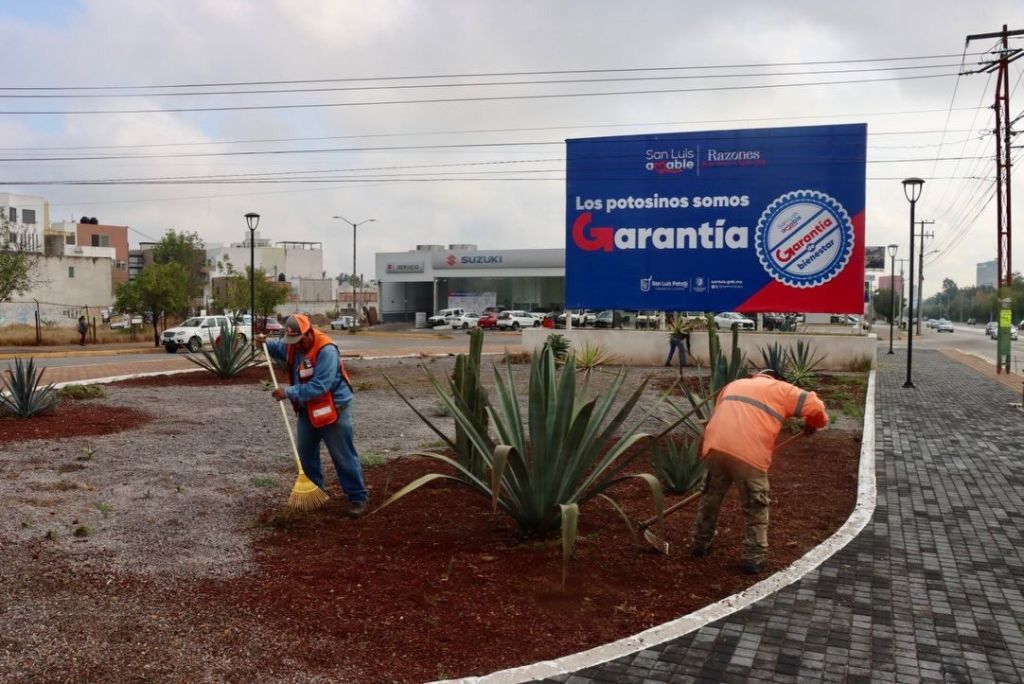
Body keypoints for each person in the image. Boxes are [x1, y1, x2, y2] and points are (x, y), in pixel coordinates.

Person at [691, 369, 828, 574]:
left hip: (716, 445)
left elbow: (723, 412)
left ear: (758, 376)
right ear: (777, 379)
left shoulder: (735, 384)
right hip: (748, 452)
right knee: (756, 505)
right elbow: (816, 407)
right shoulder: (782, 389)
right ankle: (753, 558)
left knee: (710, 497)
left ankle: (699, 544)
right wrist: (812, 424)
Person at [259, 314, 369, 518]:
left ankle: (357, 497)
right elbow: (280, 349)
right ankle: (315, 492)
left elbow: (320, 386)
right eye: (292, 342)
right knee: (306, 453)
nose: (296, 346)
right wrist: (264, 343)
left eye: (299, 341)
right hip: (307, 409)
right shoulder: (294, 345)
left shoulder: (326, 350)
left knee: (342, 455)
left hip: (333, 408)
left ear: (309, 333)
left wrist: (288, 392)